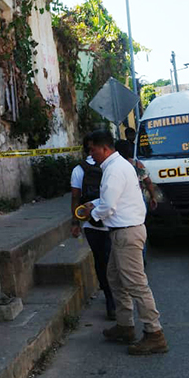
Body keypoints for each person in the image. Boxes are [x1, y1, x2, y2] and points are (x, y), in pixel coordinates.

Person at [82, 129, 168, 355]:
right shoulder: (117, 167)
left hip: (126, 233)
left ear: (104, 149)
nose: (91, 155)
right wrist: (95, 204)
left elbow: (109, 206)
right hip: (123, 231)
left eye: (93, 150)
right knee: (116, 279)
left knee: (136, 284)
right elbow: (112, 199)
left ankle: (154, 333)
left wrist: (93, 214)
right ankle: (125, 326)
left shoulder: (114, 170)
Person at [70, 135, 116, 320]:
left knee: (101, 261)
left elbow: (75, 197)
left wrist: (75, 222)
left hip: (92, 224)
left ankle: (109, 298)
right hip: (113, 222)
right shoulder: (112, 166)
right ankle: (116, 298)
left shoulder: (78, 170)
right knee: (114, 261)